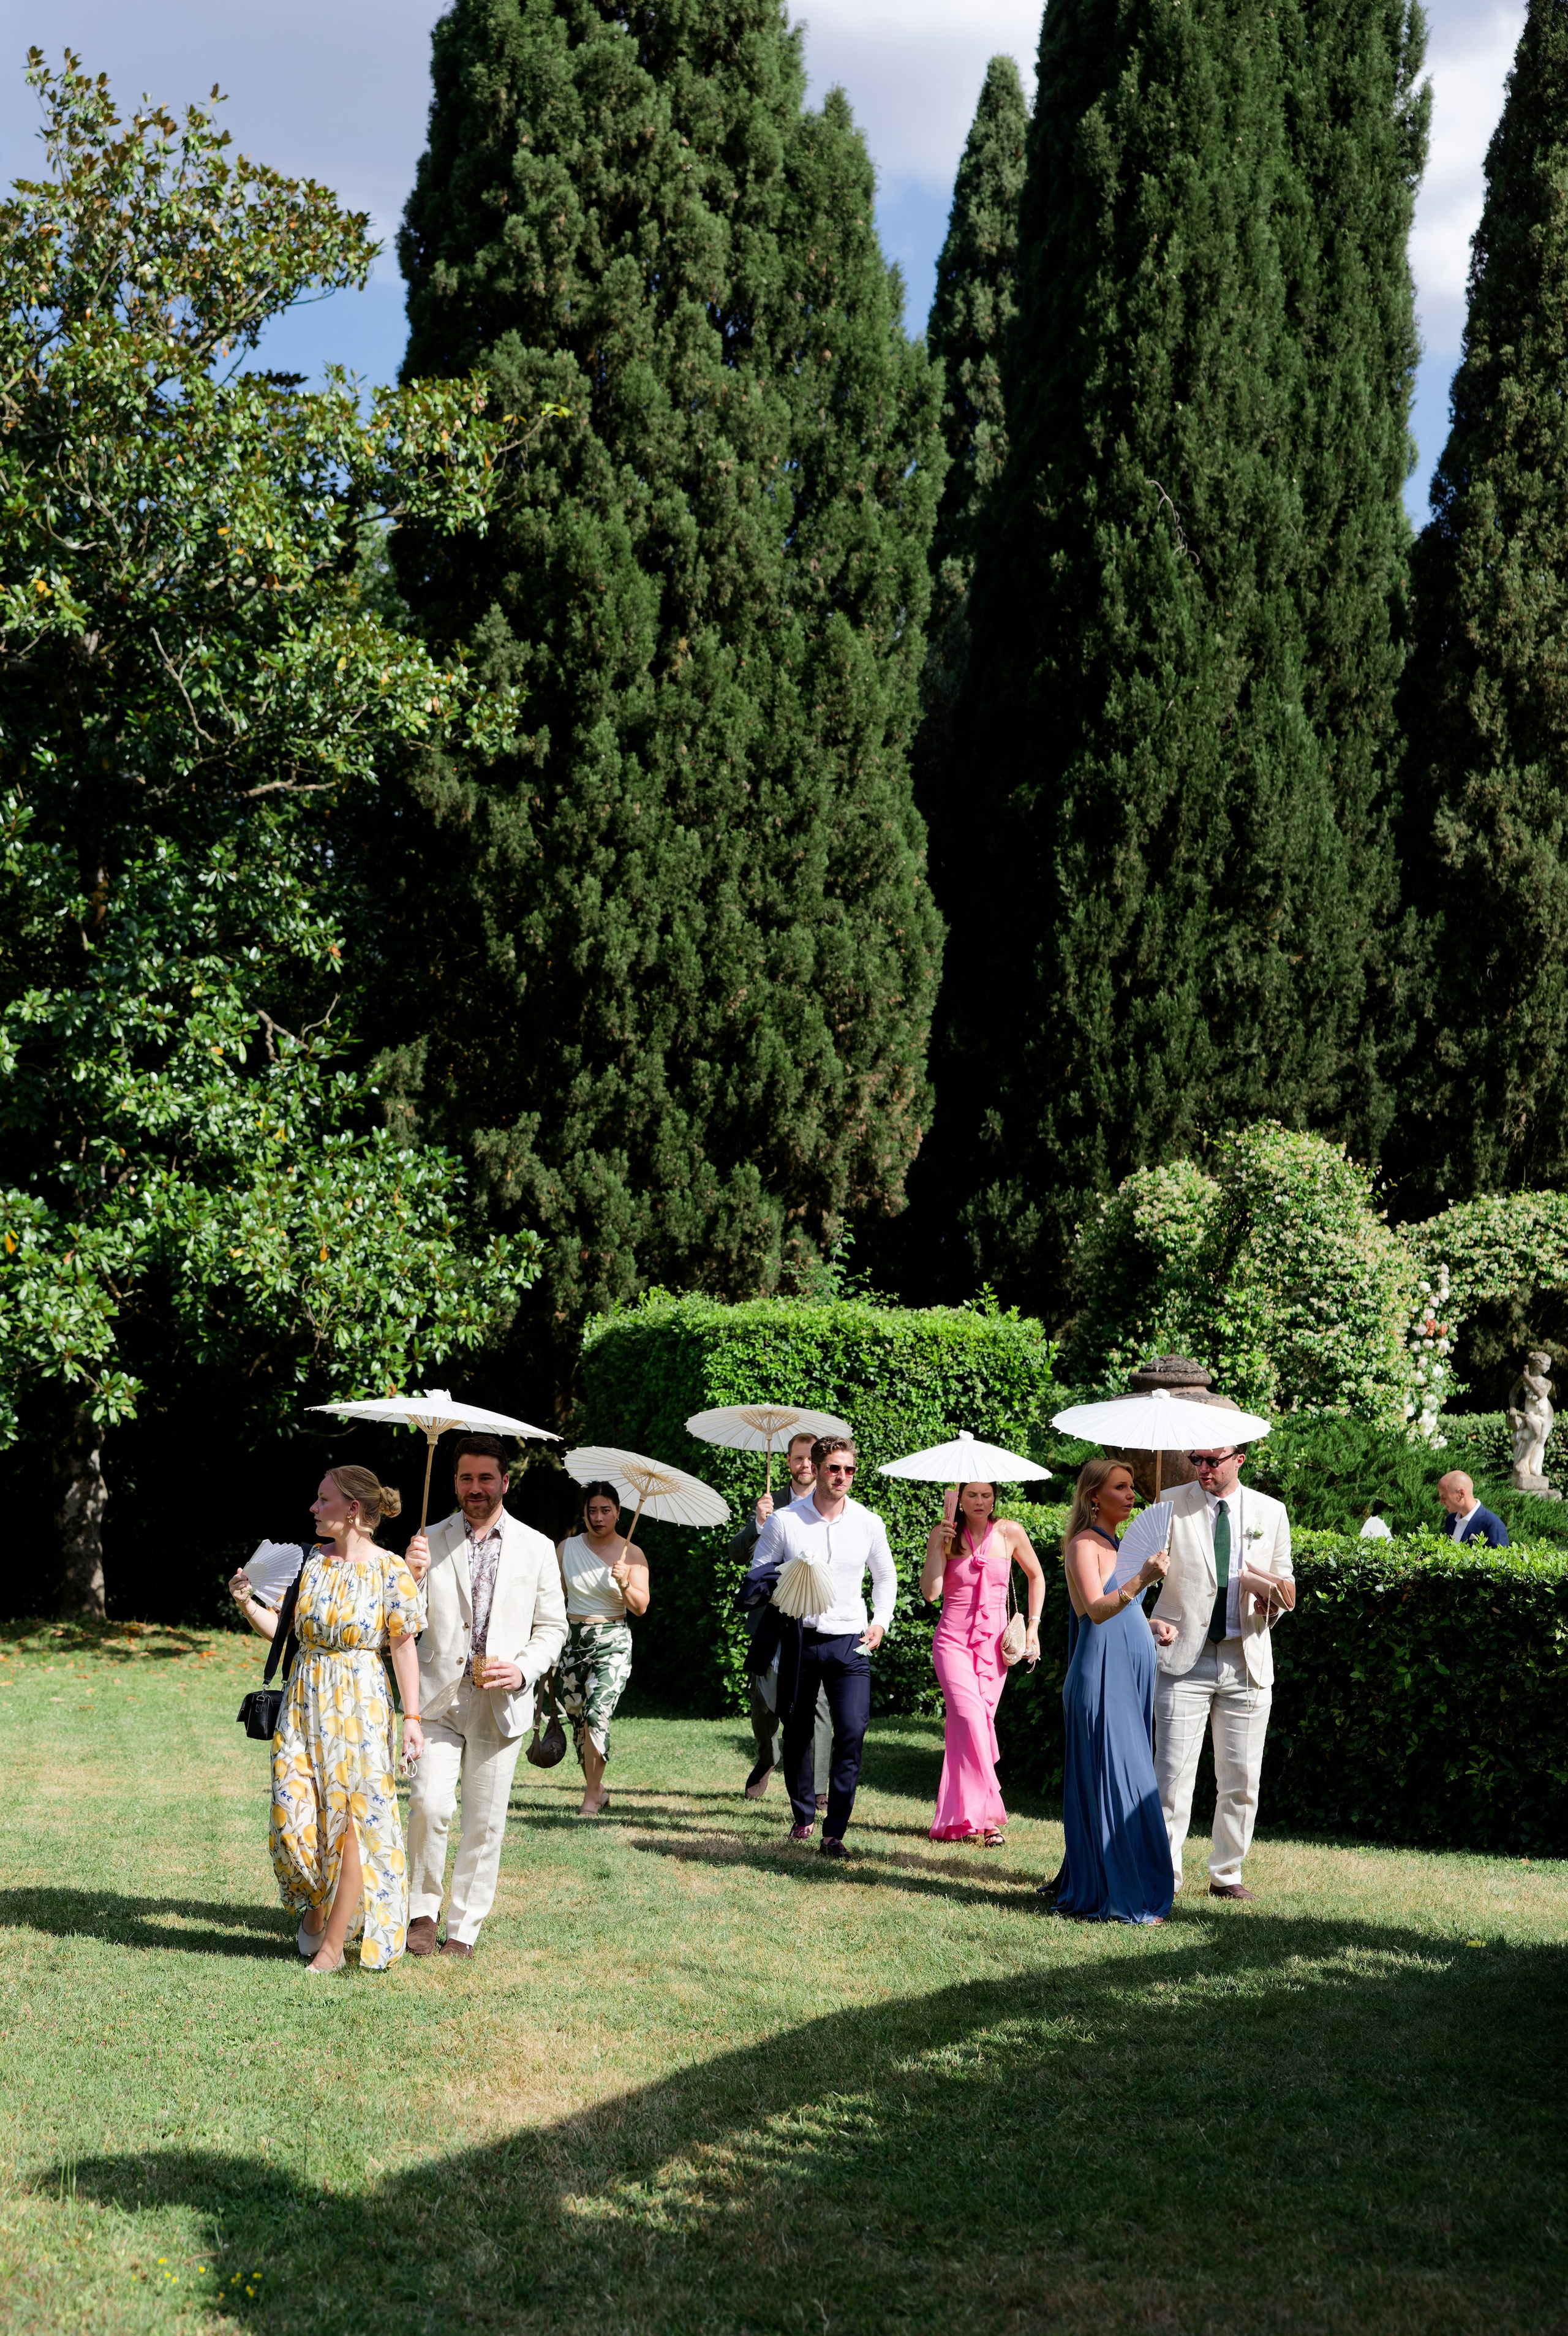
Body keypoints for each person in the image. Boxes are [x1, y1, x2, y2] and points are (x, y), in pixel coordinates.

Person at [230, 1464, 422, 1973]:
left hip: (361, 1706)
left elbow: (403, 1648)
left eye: (324, 1500)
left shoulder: (391, 1571)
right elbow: (287, 1635)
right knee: (293, 1815)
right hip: (303, 1700)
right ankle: (314, 1910)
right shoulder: (310, 1564)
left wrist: (413, 1718)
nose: (314, 1508)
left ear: (353, 1510)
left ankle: (335, 1946)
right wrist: (247, 1602)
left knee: (355, 1819)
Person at [400, 1435, 567, 1957]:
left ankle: (464, 1929)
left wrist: (522, 1670)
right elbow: (405, 1619)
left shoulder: (537, 1547)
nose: (476, 1488)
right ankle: (420, 1913)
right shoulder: (428, 1539)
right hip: (437, 1701)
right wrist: (411, 1575)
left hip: (502, 1702)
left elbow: (553, 1627)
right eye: (467, 1478)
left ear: (505, 1482)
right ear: (454, 1482)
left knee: (485, 1820)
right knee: (429, 1802)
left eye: (485, 1478)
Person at [1149, 1440, 1294, 1902]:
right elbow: (1138, 1571)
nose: (1203, 1468)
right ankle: (1163, 1877)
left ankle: (1226, 1873)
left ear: (1239, 1460)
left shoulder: (1271, 1511)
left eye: (1213, 1460)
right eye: (1196, 1460)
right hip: (1182, 1659)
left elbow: (1286, 1585)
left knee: (1242, 1778)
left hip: (1245, 1658)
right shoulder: (1170, 1501)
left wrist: (1269, 1605)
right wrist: (1151, 1615)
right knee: (1171, 1777)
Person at [743, 1435, 895, 1859]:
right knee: (798, 1733)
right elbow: (759, 1574)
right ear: (818, 1466)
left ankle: (835, 1831)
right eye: (834, 1468)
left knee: (852, 1728)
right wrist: (788, 1579)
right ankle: (803, 1814)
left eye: (849, 1469)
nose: (841, 1476)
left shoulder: (868, 1521)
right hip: (800, 1639)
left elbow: (885, 1575)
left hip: (851, 1643)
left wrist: (880, 1619)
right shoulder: (786, 1521)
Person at [1054, 1459, 1174, 1925]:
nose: (1131, 1495)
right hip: (1101, 1678)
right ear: (1093, 1497)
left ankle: (1135, 1882)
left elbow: (1122, 1613)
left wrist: (1151, 1622)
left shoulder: (1119, 1544)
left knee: (1135, 1781)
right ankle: (1115, 1892)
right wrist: (1143, 1578)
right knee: (1115, 1781)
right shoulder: (1083, 1545)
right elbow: (1097, 1610)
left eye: (1131, 1488)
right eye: (1120, 1487)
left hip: (1130, 1677)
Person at [921, 1481, 1044, 1846]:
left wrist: (1033, 1627)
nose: (980, 1502)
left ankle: (962, 1818)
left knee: (977, 1724)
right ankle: (991, 1819)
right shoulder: (946, 1534)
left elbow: (1036, 1576)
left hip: (994, 1648)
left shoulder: (1010, 1532)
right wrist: (934, 1546)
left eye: (986, 1495)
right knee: (971, 1718)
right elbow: (931, 1594)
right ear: (959, 1499)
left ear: (994, 1498)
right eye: (972, 1495)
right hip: (952, 1643)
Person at [729, 1429, 833, 1804]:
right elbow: (738, 1555)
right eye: (798, 1458)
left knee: (818, 1702)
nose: (805, 1465)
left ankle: (819, 1787)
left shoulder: (831, 1506)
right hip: (771, 1621)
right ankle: (767, 1757)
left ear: (820, 1464)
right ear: (788, 1463)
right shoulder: (771, 1505)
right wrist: (759, 1524)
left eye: (811, 1459)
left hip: (815, 1619)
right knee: (763, 1703)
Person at [556, 1481, 649, 1816]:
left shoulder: (633, 1555)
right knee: (579, 1719)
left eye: (605, 1511)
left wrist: (625, 1582)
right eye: (592, 1511)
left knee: (597, 1714)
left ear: (618, 1514)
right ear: (584, 1513)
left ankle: (591, 1796)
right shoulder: (566, 1549)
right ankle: (598, 1788)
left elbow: (640, 1608)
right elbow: (555, 1598)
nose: (598, 1517)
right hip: (572, 1640)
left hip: (612, 1641)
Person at [1437, 1470, 1511, 1546]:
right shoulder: (1451, 1519)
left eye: (1444, 1497)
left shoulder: (1493, 1525)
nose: (1441, 1502)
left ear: (1461, 1494)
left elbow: (1500, 1557)